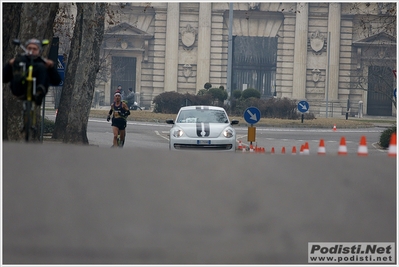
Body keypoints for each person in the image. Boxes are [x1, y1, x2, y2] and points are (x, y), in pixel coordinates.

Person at [3, 38, 61, 106]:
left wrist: (51, 68)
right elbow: (4, 78)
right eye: (29, 48)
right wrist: (9, 65)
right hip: (20, 90)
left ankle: (39, 91)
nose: (31, 51)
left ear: (39, 51)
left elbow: (57, 81)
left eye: (34, 49)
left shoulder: (43, 62)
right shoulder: (19, 60)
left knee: (41, 67)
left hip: (36, 90)